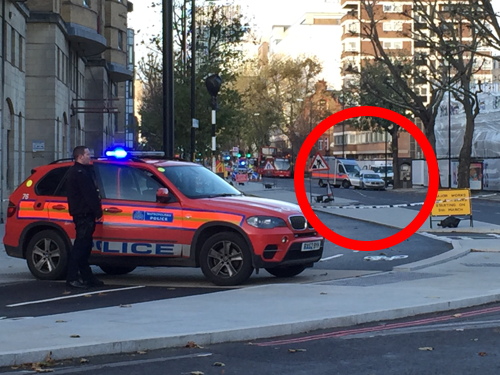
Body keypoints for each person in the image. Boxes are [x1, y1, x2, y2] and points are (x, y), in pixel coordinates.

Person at [66, 146, 104, 289]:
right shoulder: (79, 173)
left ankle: (87, 277)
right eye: (88, 154)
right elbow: (90, 195)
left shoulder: (81, 171)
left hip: (83, 213)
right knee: (80, 247)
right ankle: (72, 278)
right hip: (83, 214)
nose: (90, 156)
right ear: (80, 156)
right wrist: (98, 212)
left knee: (85, 246)